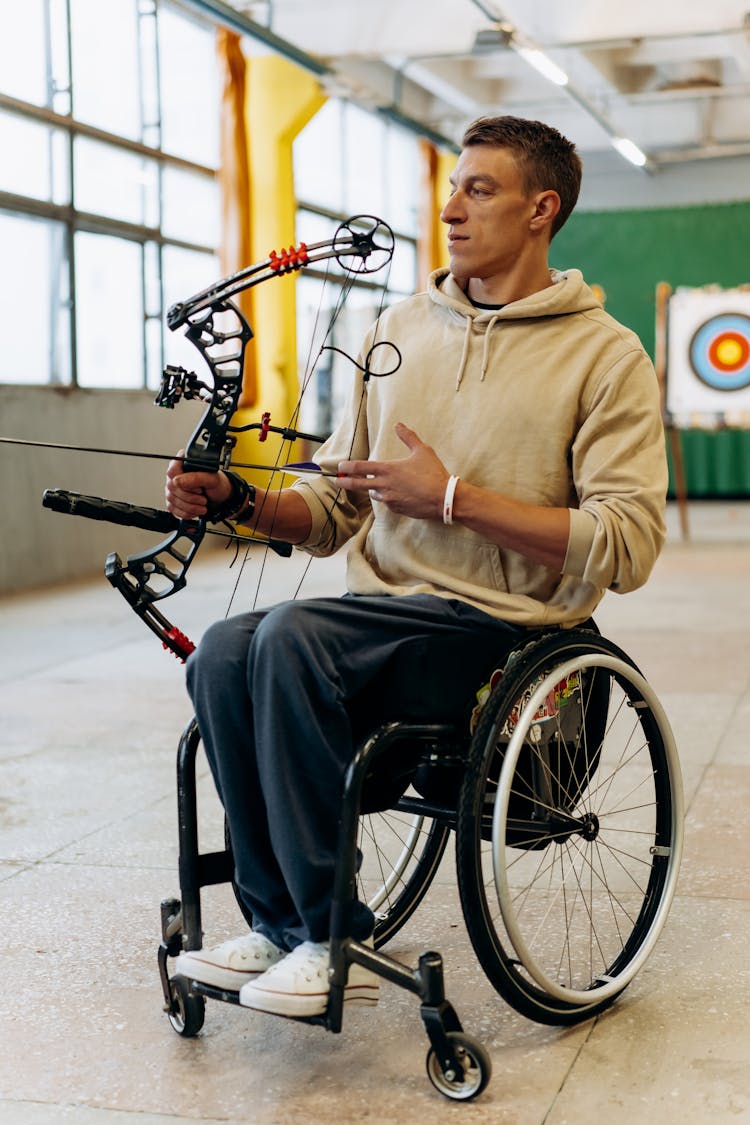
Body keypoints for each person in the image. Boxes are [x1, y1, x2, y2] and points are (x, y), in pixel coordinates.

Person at [164, 115, 668, 1019]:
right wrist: (239, 501)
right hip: (382, 624)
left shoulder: (606, 355)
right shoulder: (401, 326)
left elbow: (627, 541)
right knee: (224, 651)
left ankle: (327, 935)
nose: (451, 209)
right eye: (449, 188)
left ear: (541, 210)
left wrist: (453, 498)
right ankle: (282, 925)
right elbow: (335, 505)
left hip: (504, 634)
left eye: (479, 189)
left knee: (288, 637)